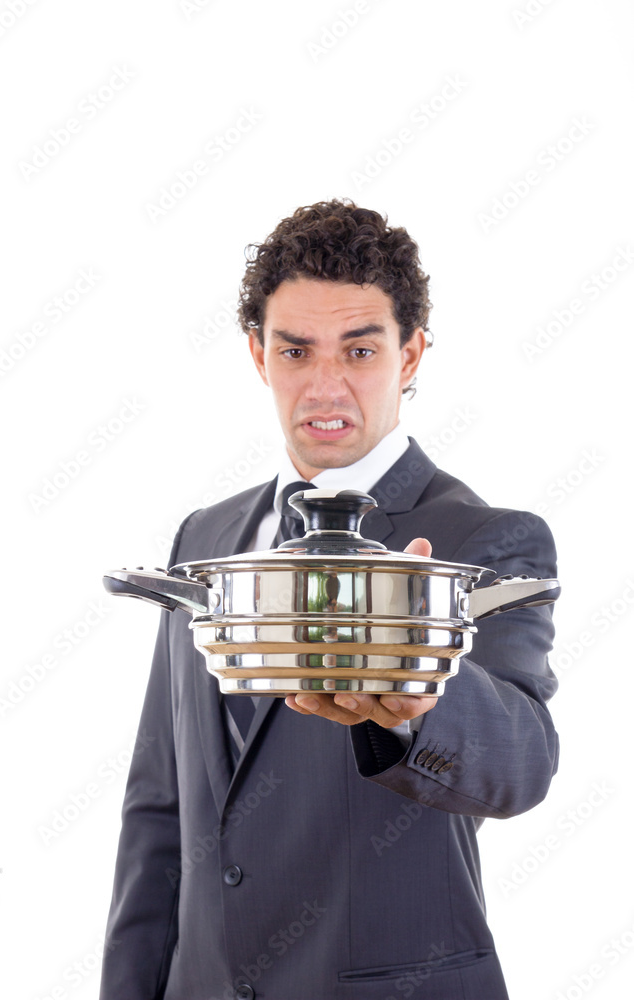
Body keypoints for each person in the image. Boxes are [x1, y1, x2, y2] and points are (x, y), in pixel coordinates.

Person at [99, 199, 559, 1000]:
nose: (324, 386)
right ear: (259, 354)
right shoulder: (205, 536)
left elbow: (521, 765)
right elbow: (158, 803)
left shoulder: (487, 538)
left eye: (359, 350)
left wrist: (422, 700)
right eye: (295, 350)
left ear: (409, 354)